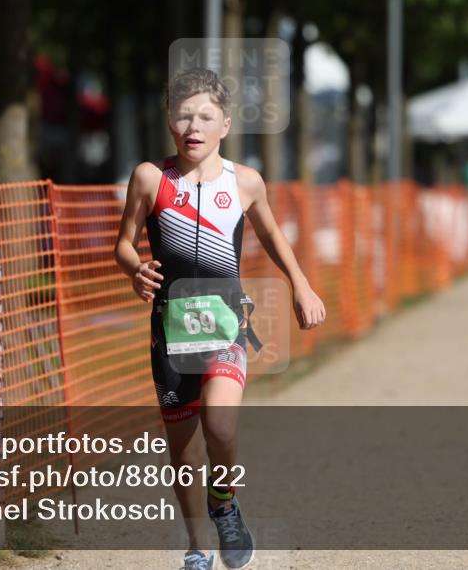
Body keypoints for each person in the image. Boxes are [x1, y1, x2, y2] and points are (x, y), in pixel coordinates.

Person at [114, 68, 326, 570]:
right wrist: (135, 269)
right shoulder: (150, 177)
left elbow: (272, 235)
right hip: (170, 331)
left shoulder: (245, 181)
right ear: (169, 120)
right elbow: (123, 243)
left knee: (222, 427)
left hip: (226, 324)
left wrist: (301, 284)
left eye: (205, 116)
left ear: (225, 124)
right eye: (183, 115)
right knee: (184, 451)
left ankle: (225, 502)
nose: (194, 126)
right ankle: (197, 547)